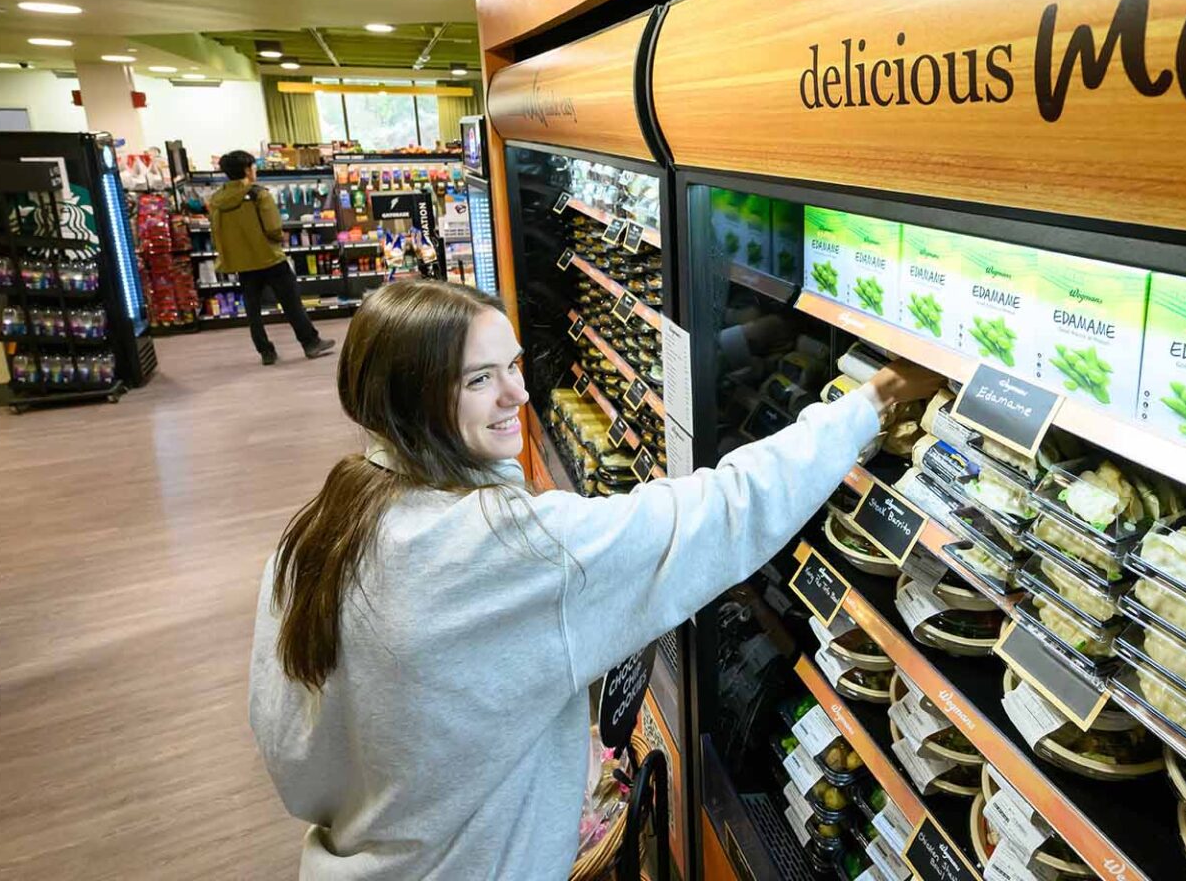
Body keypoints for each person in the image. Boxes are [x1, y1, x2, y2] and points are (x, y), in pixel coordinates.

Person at [249, 281, 941, 880]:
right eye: (479, 379)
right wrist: (871, 401)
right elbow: (721, 514)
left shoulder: (320, 526)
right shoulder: (506, 549)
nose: (518, 394)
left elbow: (292, 753)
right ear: (409, 399)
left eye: (515, 365)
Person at [208, 150, 335, 365]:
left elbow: (216, 233)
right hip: (270, 258)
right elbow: (274, 227)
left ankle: (265, 351)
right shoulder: (258, 194)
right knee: (291, 303)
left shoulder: (217, 200)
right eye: (253, 167)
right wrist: (278, 238)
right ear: (247, 170)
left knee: (253, 310)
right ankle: (310, 343)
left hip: (243, 263)